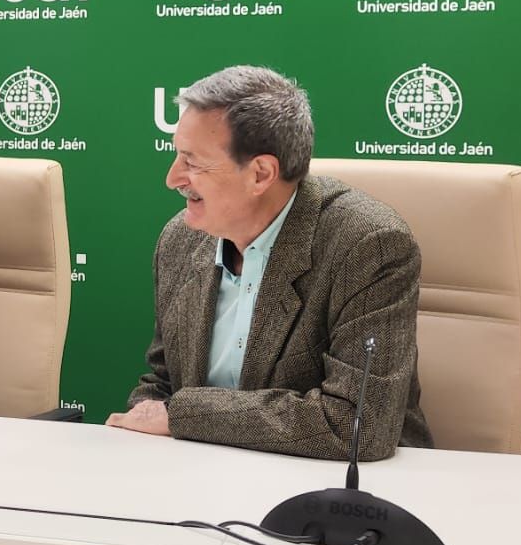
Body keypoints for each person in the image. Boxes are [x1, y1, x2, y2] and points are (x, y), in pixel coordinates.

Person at [109, 66, 431, 460]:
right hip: (197, 473)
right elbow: (162, 385)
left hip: (337, 485)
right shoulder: (181, 239)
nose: (172, 178)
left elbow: (357, 424)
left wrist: (183, 415)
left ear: (261, 174)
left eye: (192, 162)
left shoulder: (368, 246)